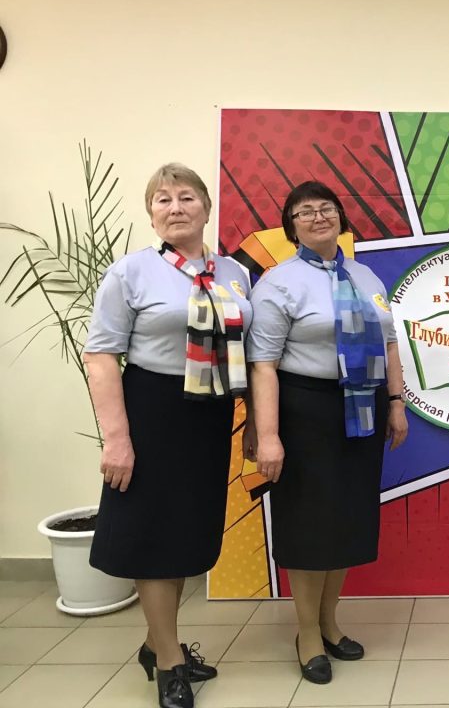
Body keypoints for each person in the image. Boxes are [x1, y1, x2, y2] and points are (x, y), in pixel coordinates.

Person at [83, 164, 253, 708]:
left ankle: (158, 643)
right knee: (153, 536)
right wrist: (117, 439)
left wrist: (253, 423)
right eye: (163, 199)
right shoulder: (131, 271)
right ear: (151, 213)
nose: (175, 207)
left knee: (183, 535)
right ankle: (169, 664)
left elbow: (246, 352)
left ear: (206, 207)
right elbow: (100, 356)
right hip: (152, 410)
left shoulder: (234, 273)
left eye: (186, 197)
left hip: (209, 413)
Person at [247, 181, 408, 685]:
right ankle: (306, 634)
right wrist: (268, 435)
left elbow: (389, 342)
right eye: (305, 212)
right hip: (306, 411)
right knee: (309, 523)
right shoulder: (278, 283)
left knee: (346, 520)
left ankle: (329, 622)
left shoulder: (364, 275)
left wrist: (397, 402)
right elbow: (263, 363)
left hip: (364, 407)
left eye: (327, 208)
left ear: (341, 216)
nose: (318, 217)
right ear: (290, 226)